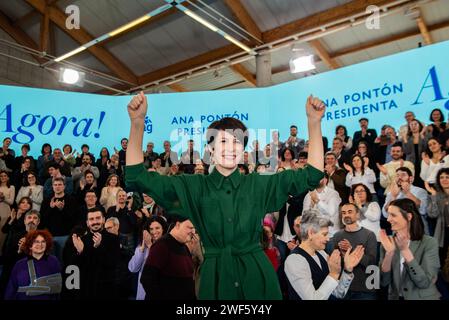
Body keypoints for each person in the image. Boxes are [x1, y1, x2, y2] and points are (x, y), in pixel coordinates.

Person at [125, 92, 326, 299]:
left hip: (258, 280)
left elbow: (313, 175)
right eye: (222, 142)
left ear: (243, 150)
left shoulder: (259, 183)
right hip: (216, 281)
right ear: (210, 150)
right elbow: (137, 177)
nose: (230, 148)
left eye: (237, 142)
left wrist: (314, 122)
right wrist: (137, 122)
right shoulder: (192, 186)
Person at [284, 209, 364, 300]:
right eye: (324, 234)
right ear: (310, 233)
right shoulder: (295, 260)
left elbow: (338, 293)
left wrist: (347, 270)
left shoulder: (322, 253)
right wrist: (333, 274)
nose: (328, 239)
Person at [379, 198, 440, 300]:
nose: (388, 219)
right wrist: (389, 254)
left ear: (408, 216)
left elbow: (425, 283)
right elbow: (383, 282)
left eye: (393, 215)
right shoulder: (387, 242)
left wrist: (405, 251)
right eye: (388, 215)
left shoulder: (429, 243)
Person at [69, 208, 121, 299]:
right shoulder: (81, 240)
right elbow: (73, 267)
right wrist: (80, 251)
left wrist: (98, 247)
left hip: (107, 288)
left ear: (103, 219)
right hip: (86, 289)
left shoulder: (113, 238)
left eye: (98, 218)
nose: (95, 222)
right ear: (87, 223)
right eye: (91, 219)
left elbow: (113, 263)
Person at [140, 215, 196, 300]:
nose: (193, 231)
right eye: (190, 227)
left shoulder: (184, 247)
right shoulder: (161, 246)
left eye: (194, 228)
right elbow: (147, 279)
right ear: (177, 225)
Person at [330, 203, 377, 300]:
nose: (346, 215)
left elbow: (372, 264)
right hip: (343, 288)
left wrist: (351, 250)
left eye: (350, 212)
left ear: (358, 214)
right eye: (343, 213)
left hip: (364, 289)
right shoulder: (337, 236)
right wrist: (343, 256)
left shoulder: (369, 235)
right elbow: (334, 265)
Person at [5, 230, 62, 300]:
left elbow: (58, 288)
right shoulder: (19, 264)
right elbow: (11, 289)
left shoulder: (53, 261)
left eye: (43, 241)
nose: (40, 244)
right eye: (36, 241)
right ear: (30, 246)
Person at [128, 216, 168, 300]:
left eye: (157, 228)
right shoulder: (142, 247)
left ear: (163, 229)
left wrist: (150, 246)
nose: (154, 232)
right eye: (151, 229)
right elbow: (132, 268)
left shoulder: (169, 246)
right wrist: (142, 249)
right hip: (143, 292)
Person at [382, 167, 429, 234]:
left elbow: (423, 210)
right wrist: (393, 197)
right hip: (398, 230)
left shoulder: (420, 191)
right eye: (397, 175)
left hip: (416, 228)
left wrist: (407, 193)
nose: (399, 177)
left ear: (411, 178)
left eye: (403, 175)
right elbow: (385, 214)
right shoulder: (391, 193)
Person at [303, 173, 342, 238]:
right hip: (315, 236)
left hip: (331, 235)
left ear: (325, 180)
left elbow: (331, 212)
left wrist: (317, 201)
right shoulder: (308, 195)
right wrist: (311, 206)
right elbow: (304, 216)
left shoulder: (333, 194)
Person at [426, 168, 449, 265]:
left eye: (447, 177)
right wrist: (434, 196)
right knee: (442, 261)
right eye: (441, 177)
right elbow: (432, 214)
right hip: (443, 232)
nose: (444, 179)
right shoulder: (435, 195)